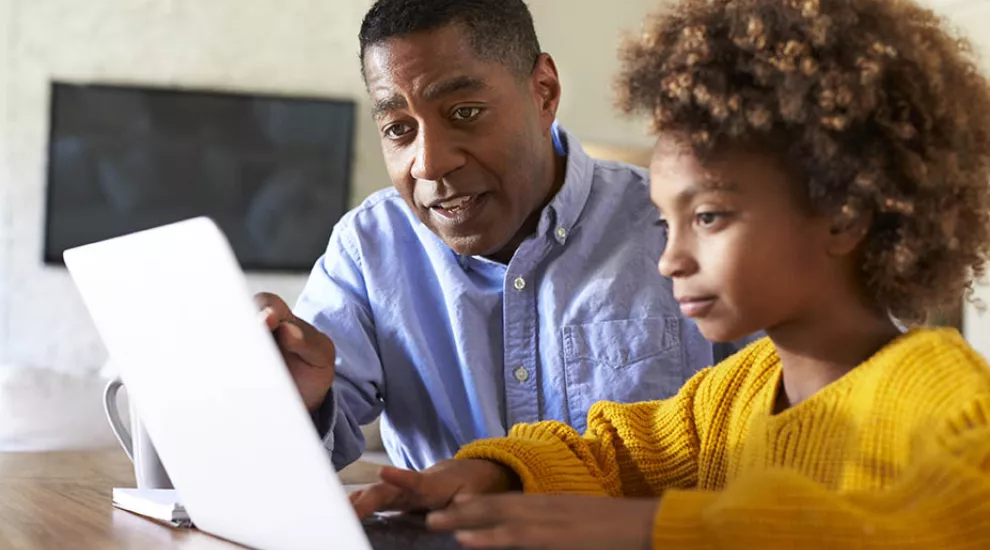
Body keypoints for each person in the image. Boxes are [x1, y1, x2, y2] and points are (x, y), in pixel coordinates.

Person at [349, 0, 990, 547]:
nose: (669, 260)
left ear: (842, 215)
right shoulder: (735, 393)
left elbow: (936, 525)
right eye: (665, 221)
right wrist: (497, 474)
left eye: (708, 217)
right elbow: (612, 452)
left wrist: (649, 529)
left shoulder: (941, 390)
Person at [256, 0, 750, 472]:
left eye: (465, 113)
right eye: (399, 129)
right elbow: (296, 454)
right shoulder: (369, 249)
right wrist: (299, 400)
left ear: (544, 93)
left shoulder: (675, 228)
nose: (429, 162)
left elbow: (783, 419)